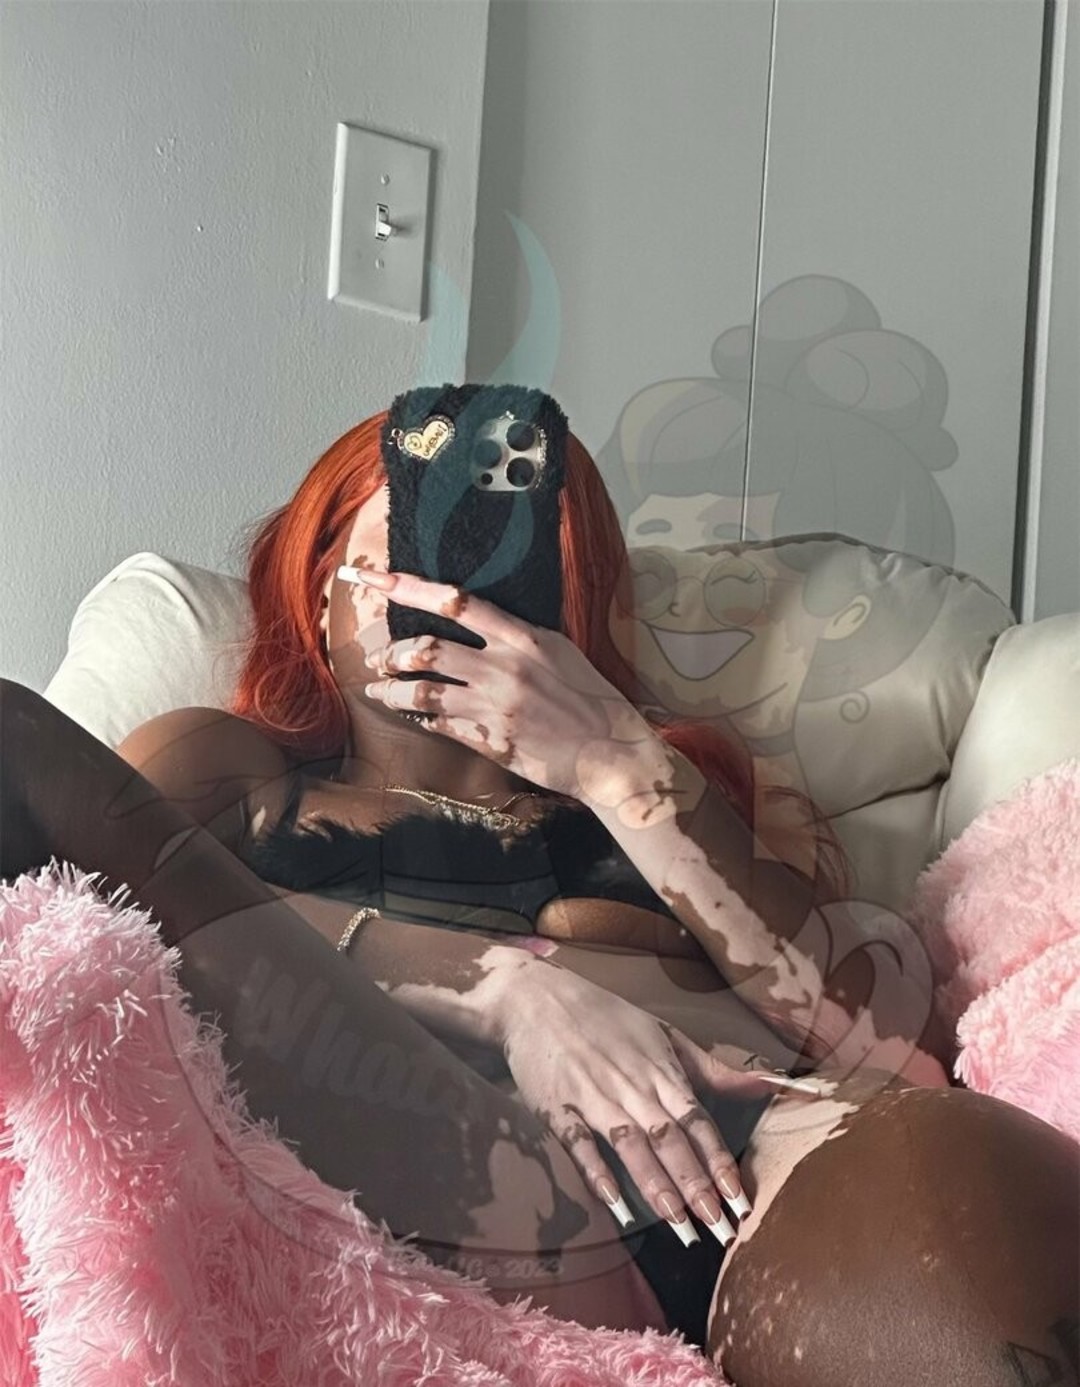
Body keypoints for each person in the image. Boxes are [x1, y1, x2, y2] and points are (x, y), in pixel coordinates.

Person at [2, 388, 1076, 1383]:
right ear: (319, 591)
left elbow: (888, 1049)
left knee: (954, 1180)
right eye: (407, 556)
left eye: (502, 567)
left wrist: (614, 762)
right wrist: (506, 990)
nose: (450, 596)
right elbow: (103, 928)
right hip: (427, 1166)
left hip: (725, 1192)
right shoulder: (238, 773)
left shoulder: (662, 799)